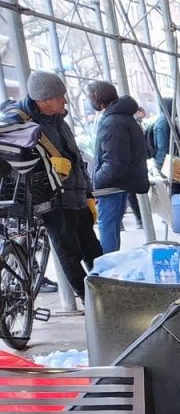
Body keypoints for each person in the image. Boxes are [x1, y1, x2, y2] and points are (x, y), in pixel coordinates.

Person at [21, 71, 100, 297]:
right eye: (60, 96)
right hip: (55, 201)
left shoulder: (59, 122)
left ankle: (107, 296)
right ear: (43, 100)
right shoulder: (22, 123)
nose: (65, 101)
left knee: (94, 251)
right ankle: (90, 302)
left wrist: (88, 192)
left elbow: (76, 158)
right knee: (70, 255)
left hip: (77, 198)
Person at [87, 80, 150, 254]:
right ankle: (111, 265)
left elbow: (114, 162)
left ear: (97, 99)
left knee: (107, 226)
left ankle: (107, 270)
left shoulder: (112, 122)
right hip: (121, 183)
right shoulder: (123, 117)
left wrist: (96, 181)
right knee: (112, 226)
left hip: (112, 185)